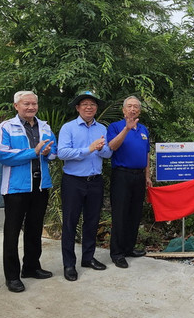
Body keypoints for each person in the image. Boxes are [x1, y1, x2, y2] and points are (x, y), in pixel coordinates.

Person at [0, 91, 55, 293]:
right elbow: (2, 154)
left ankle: (31, 267)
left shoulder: (44, 126)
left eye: (34, 104)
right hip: (16, 188)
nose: (31, 107)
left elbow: (53, 151)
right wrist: (34, 152)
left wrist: (47, 152)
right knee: (11, 233)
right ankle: (12, 276)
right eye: (26, 104)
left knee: (34, 228)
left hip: (40, 185)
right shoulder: (7, 126)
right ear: (16, 106)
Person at [58, 90, 113, 281]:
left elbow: (107, 154)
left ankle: (88, 258)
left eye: (92, 105)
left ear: (96, 108)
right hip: (73, 181)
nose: (89, 107)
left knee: (92, 222)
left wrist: (103, 149)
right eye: (85, 104)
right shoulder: (68, 128)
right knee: (70, 223)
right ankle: (69, 264)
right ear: (78, 108)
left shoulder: (102, 129)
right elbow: (62, 153)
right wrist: (89, 149)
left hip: (95, 181)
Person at [107, 96, 151, 269]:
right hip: (122, 175)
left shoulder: (143, 129)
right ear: (124, 110)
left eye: (136, 107)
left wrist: (147, 175)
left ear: (139, 111)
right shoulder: (115, 127)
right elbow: (112, 146)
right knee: (120, 214)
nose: (132, 109)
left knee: (135, 213)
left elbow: (146, 154)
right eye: (129, 106)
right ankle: (117, 253)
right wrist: (126, 129)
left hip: (139, 176)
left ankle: (129, 248)